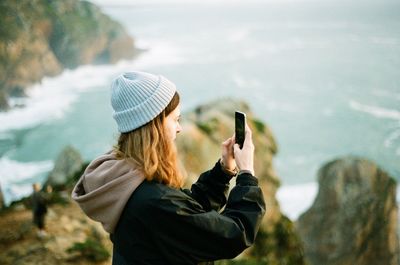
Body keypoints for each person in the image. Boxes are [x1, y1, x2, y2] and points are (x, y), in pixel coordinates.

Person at [72, 71, 266, 265]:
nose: (179, 128)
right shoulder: (154, 201)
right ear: (155, 125)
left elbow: (186, 215)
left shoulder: (126, 177)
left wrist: (223, 171)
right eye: (175, 119)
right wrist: (247, 173)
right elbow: (234, 235)